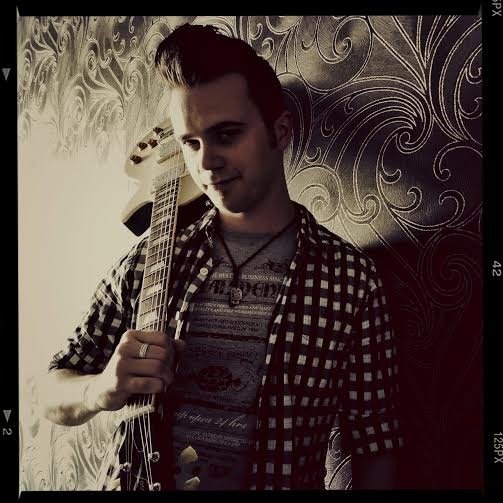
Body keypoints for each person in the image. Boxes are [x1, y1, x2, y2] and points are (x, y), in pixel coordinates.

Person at [36, 23, 404, 490]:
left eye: (226, 134)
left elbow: (375, 443)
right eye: (191, 142)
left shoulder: (350, 280)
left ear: (279, 131)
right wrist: (99, 389)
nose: (206, 163)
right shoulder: (147, 262)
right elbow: (48, 391)